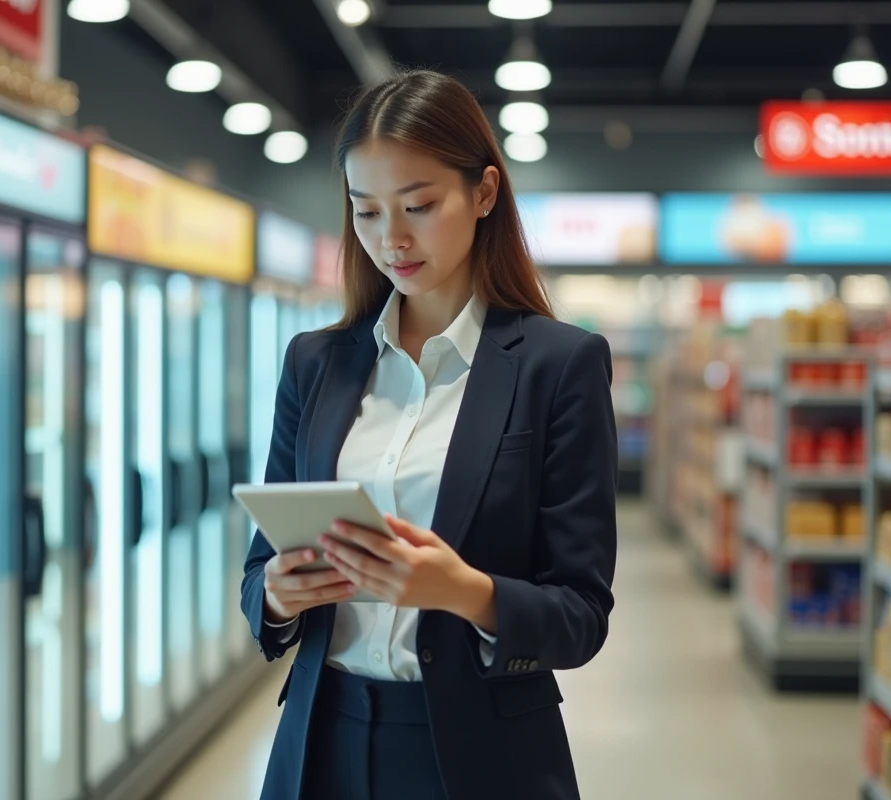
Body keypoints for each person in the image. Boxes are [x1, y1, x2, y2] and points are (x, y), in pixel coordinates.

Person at [240, 69, 618, 800]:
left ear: (483, 193)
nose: (392, 239)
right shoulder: (315, 364)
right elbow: (259, 573)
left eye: (418, 205)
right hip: (324, 739)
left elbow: (581, 615)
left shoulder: (558, 364)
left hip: (482, 755)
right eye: (367, 212)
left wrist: (466, 593)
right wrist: (281, 596)